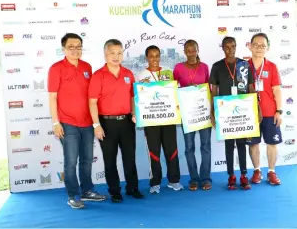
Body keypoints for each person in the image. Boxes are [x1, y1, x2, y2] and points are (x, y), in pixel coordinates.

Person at [48, 33, 107, 209]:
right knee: (71, 161)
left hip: (88, 123)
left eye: (78, 46)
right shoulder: (56, 68)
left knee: (87, 160)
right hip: (67, 122)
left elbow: (93, 96)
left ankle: (87, 191)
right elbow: (52, 97)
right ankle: (73, 195)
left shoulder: (87, 67)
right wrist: (55, 122)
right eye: (71, 47)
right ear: (63, 49)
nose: (75, 50)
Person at [88, 39, 144, 203]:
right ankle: (115, 191)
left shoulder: (128, 73)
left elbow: (133, 96)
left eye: (119, 53)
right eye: (112, 52)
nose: (116, 56)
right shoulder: (98, 76)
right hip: (106, 124)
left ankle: (133, 188)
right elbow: (92, 102)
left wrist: (134, 113)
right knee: (110, 159)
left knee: (129, 157)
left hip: (126, 122)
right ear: (105, 54)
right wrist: (96, 125)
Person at [209, 36, 256, 190]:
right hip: (225, 111)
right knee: (229, 145)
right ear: (222, 48)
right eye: (227, 47)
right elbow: (214, 90)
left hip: (242, 111)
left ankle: (243, 175)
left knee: (242, 144)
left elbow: (250, 88)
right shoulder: (216, 66)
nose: (231, 50)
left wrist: (255, 109)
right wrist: (213, 110)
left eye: (233, 46)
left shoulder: (244, 65)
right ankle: (231, 176)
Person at [136, 45, 184, 194]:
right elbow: (138, 98)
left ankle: (174, 180)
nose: (154, 59)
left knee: (172, 150)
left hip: (168, 118)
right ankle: (155, 182)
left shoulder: (168, 72)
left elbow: (175, 92)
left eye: (157, 56)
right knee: (154, 151)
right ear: (146, 58)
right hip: (151, 120)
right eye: (151, 56)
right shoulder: (141, 75)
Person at [173, 40, 212, 191]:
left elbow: (209, 88)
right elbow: (173, 88)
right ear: (184, 52)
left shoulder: (204, 67)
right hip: (187, 114)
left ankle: (206, 178)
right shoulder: (178, 68)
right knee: (189, 148)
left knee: (206, 146)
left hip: (203, 113)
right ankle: (194, 179)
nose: (191, 53)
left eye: (193, 50)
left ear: (197, 50)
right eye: (188, 50)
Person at [247, 33, 282, 185]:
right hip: (250, 113)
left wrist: (279, 111)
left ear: (268, 48)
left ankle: (272, 172)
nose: (259, 48)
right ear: (250, 46)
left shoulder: (272, 67)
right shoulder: (243, 66)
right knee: (253, 143)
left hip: (269, 112)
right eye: (256, 45)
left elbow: (277, 90)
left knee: (271, 143)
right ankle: (257, 170)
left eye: (263, 46)